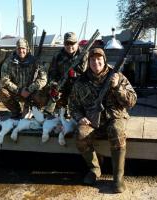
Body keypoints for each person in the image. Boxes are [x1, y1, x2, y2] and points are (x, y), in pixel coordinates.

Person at [69, 48, 137, 193]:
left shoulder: (117, 76)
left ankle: (118, 178)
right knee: (80, 134)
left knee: (117, 131)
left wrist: (117, 87)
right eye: (92, 60)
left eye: (99, 59)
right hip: (92, 120)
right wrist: (80, 117)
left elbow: (132, 102)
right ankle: (94, 169)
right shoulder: (81, 81)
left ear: (104, 60)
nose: (96, 62)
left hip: (114, 117)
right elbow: (73, 105)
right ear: (88, 62)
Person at [0, 38, 48, 118]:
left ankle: (34, 109)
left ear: (27, 49)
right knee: (2, 92)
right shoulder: (9, 62)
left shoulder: (35, 61)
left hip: (31, 93)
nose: (21, 51)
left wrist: (30, 89)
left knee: (45, 92)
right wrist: (19, 90)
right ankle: (16, 111)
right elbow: (4, 80)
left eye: (23, 48)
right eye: (19, 48)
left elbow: (43, 79)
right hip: (17, 93)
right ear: (16, 49)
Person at [45, 32, 88, 115]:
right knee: (52, 92)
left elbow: (88, 74)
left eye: (72, 43)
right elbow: (52, 73)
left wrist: (75, 74)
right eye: (67, 43)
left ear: (77, 43)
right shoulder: (58, 56)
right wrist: (54, 85)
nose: (69, 46)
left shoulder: (84, 55)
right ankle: (53, 110)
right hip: (62, 84)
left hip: (79, 85)